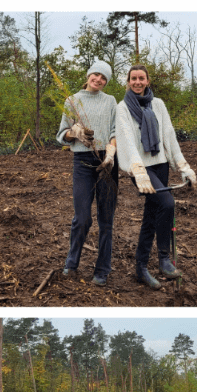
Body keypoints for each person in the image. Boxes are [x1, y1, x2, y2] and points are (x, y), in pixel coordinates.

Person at [115, 64, 196, 289]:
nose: (138, 82)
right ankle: (163, 260)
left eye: (142, 78)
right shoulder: (122, 108)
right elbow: (126, 140)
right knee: (167, 204)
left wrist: (183, 166)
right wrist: (138, 171)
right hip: (141, 168)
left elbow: (168, 136)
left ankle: (140, 268)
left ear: (148, 81)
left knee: (151, 216)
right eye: (133, 79)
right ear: (128, 82)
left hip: (160, 165)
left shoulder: (158, 104)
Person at [57, 60, 118, 286]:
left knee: (106, 219)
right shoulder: (72, 101)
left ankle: (102, 269)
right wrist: (75, 133)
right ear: (89, 74)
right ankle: (71, 263)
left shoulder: (111, 101)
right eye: (96, 75)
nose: (99, 80)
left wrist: (111, 154)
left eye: (104, 78)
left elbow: (115, 130)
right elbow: (61, 134)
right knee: (82, 218)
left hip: (107, 161)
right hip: (82, 161)